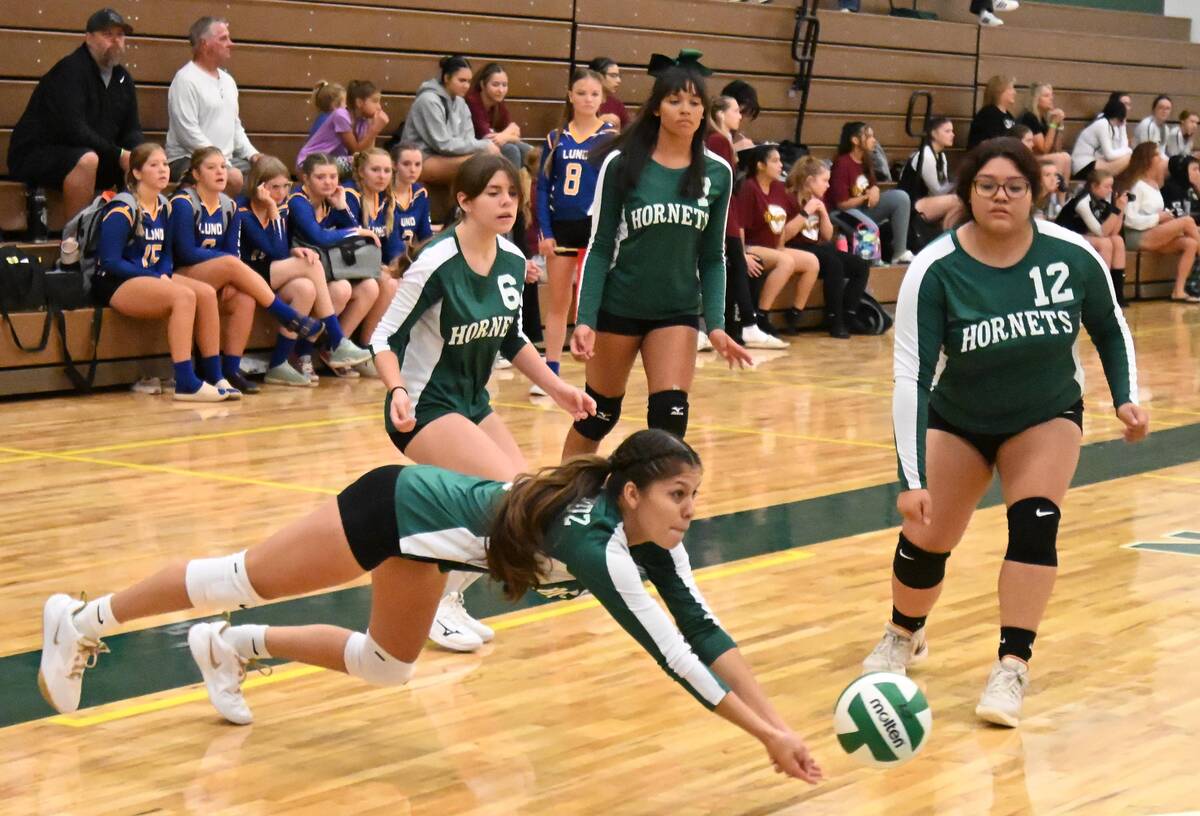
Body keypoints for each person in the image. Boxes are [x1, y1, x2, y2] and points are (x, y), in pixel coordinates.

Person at [36, 428, 824, 783]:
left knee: (385, 667)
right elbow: (674, 657)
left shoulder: (650, 538)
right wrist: (764, 738)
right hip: (395, 508)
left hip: (432, 552)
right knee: (235, 574)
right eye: (678, 495)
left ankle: (232, 649)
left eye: (694, 496)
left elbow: (705, 630)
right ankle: (81, 619)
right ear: (631, 493)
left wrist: (780, 726)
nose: (690, 510)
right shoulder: (598, 545)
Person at [865, 136, 1147, 728]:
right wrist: (910, 476)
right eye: (988, 185)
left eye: (1015, 187)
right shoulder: (935, 268)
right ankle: (903, 633)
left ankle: (1012, 665)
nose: (1001, 196)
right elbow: (911, 377)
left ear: (1035, 193)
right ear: (968, 192)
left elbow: (1110, 326)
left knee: (1036, 526)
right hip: (959, 419)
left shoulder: (1072, 255)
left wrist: (1126, 398)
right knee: (927, 537)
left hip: (1044, 415)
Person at [370, 152, 595, 652]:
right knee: (502, 499)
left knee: (523, 505)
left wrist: (557, 387)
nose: (506, 202)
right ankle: (430, 604)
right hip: (423, 406)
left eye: (512, 193)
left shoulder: (514, 260)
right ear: (465, 202)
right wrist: (397, 389)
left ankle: (447, 597)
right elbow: (382, 338)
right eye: (493, 193)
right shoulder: (437, 262)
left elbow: (511, 338)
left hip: (472, 403)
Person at [562, 51, 755, 461]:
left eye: (695, 102)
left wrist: (717, 325)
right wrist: (585, 318)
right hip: (620, 306)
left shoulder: (717, 172)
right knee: (598, 416)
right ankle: (559, 502)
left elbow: (714, 257)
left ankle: (655, 514)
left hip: (677, 311)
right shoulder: (621, 164)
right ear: (655, 109)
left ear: (705, 112)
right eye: (675, 101)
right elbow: (597, 249)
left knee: (670, 420)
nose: (685, 110)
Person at [169, 146, 334, 395]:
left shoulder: (228, 205)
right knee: (233, 264)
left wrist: (227, 274)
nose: (220, 172)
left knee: (245, 297)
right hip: (182, 273)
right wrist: (226, 265)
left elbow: (237, 253)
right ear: (196, 173)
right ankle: (287, 315)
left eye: (223, 167)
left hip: (220, 273)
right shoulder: (184, 202)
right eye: (211, 168)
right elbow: (185, 252)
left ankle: (230, 370)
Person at [93, 143, 225, 402]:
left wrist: (163, 273)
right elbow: (109, 261)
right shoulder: (123, 207)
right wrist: (155, 277)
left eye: (165, 164)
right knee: (184, 296)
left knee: (206, 293)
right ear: (138, 173)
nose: (163, 170)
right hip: (116, 281)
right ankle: (185, 381)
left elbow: (166, 253)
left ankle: (215, 376)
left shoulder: (165, 205)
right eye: (154, 165)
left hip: (151, 275)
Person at [237, 156, 372, 387]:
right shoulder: (245, 211)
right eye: (273, 187)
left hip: (273, 272)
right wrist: (272, 209)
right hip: (248, 274)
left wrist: (342, 209)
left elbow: (285, 248)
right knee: (312, 264)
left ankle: (279, 364)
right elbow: (276, 250)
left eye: (284, 186)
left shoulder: (285, 205)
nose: (280, 193)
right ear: (259, 187)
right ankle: (337, 340)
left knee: (306, 288)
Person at [7, 8, 143, 222]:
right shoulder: (70, 71)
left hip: (92, 153)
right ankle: (77, 241)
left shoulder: (123, 78)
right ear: (88, 38)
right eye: (108, 35)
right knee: (87, 160)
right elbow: (74, 131)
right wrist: (118, 154)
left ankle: (134, 234)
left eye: (120, 35)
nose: (116, 41)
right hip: (38, 154)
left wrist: (137, 155)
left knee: (142, 162)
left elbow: (132, 129)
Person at [536, 68, 617, 392]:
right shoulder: (556, 138)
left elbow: (617, 186)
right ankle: (550, 372)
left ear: (602, 98)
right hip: (562, 227)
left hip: (596, 227)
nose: (587, 99)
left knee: (593, 302)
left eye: (594, 94)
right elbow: (542, 188)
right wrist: (545, 231)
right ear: (570, 95)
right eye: (581, 93)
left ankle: (595, 375)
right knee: (558, 301)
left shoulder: (609, 138)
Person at [289, 153, 391, 379]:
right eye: (321, 177)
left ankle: (334, 350)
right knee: (341, 288)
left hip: (322, 267)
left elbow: (353, 236)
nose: (328, 182)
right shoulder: (298, 201)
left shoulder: (329, 199)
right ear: (306, 178)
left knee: (369, 287)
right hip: (296, 268)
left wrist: (342, 208)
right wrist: (356, 231)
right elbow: (319, 237)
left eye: (333, 176)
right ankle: (301, 353)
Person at [706, 96, 782, 349]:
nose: (740, 116)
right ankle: (747, 324)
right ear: (720, 114)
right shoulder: (718, 140)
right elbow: (720, 184)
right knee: (736, 267)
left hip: (727, 213)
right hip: (723, 215)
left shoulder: (723, 141)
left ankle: (733, 325)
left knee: (734, 269)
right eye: (736, 111)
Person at [165, 17, 259, 195]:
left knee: (269, 173)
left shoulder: (228, 81)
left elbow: (235, 127)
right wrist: (221, 163)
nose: (230, 44)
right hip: (188, 159)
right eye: (223, 39)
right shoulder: (185, 79)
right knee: (233, 177)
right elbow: (188, 133)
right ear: (204, 44)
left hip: (225, 159)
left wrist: (254, 155)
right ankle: (217, 220)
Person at [735, 144, 819, 338]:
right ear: (760, 165)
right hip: (750, 246)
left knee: (811, 262)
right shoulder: (749, 188)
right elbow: (738, 226)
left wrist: (781, 246)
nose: (781, 165)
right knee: (786, 261)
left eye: (780, 160)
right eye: (775, 161)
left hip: (772, 247)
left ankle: (794, 316)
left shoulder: (779, 189)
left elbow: (783, 221)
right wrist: (741, 256)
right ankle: (762, 316)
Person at [785, 156, 871, 339]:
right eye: (824, 181)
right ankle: (834, 318)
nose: (828, 186)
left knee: (860, 265)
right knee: (833, 264)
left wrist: (823, 213)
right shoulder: (790, 198)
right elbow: (786, 234)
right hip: (795, 247)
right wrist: (805, 212)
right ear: (809, 181)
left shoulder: (818, 201)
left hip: (816, 247)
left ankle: (849, 313)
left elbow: (826, 235)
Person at [344, 148, 405, 370]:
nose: (382, 176)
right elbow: (347, 239)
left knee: (396, 281)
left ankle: (370, 347)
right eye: (375, 170)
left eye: (387, 170)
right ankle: (351, 345)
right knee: (384, 284)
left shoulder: (387, 200)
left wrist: (395, 265)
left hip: (373, 268)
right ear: (361, 172)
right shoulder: (350, 196)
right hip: (347, 266)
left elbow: (395, 246)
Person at [1117, 142, 1200, 304]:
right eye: (1157, 154)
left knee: (1189, 243)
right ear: (1148, 159)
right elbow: (1130, 220)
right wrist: (1159, 218)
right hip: (1137, 235)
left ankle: (1179, 290)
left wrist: (1165, 217)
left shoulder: (1155, 184)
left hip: (1153, 232)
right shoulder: (1136, 185)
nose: (1161, 158)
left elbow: (1157, 214)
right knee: (1188, 221)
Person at [401, 55, 499, 185]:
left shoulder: (461, 103)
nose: (466, 86)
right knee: (483, 162)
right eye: (462, 80)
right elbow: (442, 144)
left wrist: (482, 147)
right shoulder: (428, 100)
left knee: (491, 159)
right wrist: (484, 145)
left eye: (469, 81)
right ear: (447, 78)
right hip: (421, 158)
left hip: (447, 157)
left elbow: (468, 140)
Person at [826, 122, 914, 264]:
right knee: (867, 226)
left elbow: (872, 186)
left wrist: (875, 190)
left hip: (860, 208)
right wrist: (866, 196)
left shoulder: (865, 160)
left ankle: (900, 252)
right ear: (855, 140)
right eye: (869, 136)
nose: (874, 140)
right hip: (841, 213)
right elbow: (842, 204)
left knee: (901, 197)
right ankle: (872, 264)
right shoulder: (842, 164)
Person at [1054, 167, 1127, 301]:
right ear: (1094, 186)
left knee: (1117, 240)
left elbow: (1113, 232)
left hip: (1083, 236)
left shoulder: (1102, 202)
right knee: (1104, 244)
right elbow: (1101, 232)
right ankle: (1100, 292)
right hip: (1063, 237)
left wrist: (1120, 210)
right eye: (1107, 186)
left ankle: (1117, 293)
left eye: (1111, 186)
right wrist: (1117, 210)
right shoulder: (1082, 201)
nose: (1110, 190)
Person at [296, 79, 390, 176]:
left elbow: (366, 153)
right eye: (375, 101)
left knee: (370, 162)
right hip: (310, 162)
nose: (379, 107)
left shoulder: (363, 121)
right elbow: (356, 151)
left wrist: (372, 126)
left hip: (331, 161)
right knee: (363, 164)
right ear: (359, 102)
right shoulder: (341, 115)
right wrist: (375, 129)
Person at [465, 62, 533, 171]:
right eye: (495, 85)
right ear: (482, 84)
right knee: (511, 150)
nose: (501, 90)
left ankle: (532, 186)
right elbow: (488, 138)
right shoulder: (473, 101)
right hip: (475, 148)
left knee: (529, 151)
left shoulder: (497, 102)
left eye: (504, 85)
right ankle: (511, 186)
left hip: (491, 145)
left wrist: (504, 136)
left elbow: (516, 134)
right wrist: (507, 133)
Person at [901, 116, 962, 229]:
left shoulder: (941, 156)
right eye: (947, 131)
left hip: (927, 201)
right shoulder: (926, 155)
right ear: (933, 134)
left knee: (959, 201)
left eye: (952, 131)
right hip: (912, 206)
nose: (952, 135)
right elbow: (937, 191)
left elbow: (944, 186)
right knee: (956, 201)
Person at [1017, 83, 1072, 182]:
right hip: (1026, 159)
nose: (1051, 98)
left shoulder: (1043, 119)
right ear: (1036, 99)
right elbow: (1044, 149)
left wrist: (1059, 126)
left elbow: (1056, 149)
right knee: (1059, 159)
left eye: (1051, 95)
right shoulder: (1029, 117)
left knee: (1066, 157)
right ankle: (1053, 195)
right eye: (1046, 96)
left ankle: (1062, 197)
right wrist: (1053, 124)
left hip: (1039, 158)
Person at [1071, 97, 1131, 180]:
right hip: (1082, 166)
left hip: (1093, 161)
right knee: (1128, 158)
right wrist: (1128, 150)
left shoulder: (1109, 125)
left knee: (1127, 158)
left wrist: (1123, 127)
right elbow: (1110, 155)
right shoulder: (1102, 124)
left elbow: (1122, 147)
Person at [390, 142, 435, 249]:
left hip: (409, 259)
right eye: (406, 164)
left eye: (417, 164)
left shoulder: (420, 193)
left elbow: (425, 235)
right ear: (394, 165)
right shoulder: (382, 194)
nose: (413, 170)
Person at [968, 76, 1017, 149]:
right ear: (999, 92)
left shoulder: (1009, 116)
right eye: (1010, 88)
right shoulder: (988, 114)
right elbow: (993, 144)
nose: (1014, 92)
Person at [589, 57, 630, 132]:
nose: (619, 81)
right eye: (613, 75)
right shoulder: (582, 102)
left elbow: (628, 135)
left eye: (619, 76)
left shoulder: (617, 105)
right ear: (598, 76)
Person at [720, 80, 760, 152]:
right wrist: (733, 149)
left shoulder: (735, 135)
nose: (740, 117)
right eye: (738, 112)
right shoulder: (710, 134)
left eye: (747, 114)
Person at [1162, 154, 1200, 221]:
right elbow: (1179, 215)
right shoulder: (1172, 188)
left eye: (1198, 169)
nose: (1198, 173)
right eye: (1194, 169)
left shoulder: (1189, 187)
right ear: (1183, 171)